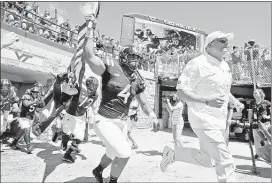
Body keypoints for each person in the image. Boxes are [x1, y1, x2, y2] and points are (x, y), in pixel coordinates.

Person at [82, 14, 159, 183]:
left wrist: (152, 115)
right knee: (124, 152)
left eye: (137, 58)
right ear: (124, 56)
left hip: (121, 122)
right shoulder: (111, 68)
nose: (135, 61)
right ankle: (113, 181)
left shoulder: (138, 79)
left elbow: (143, 102)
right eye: (132, 57)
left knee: (112, 153)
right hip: (105, 119)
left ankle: (97, 170)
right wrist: (90, 29)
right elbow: (89, 55)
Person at [160, 31, 245, 182]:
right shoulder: (197, 63)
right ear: (210, 44)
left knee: (207, 160)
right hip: (204, 119)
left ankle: (172, 154)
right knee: (225, 161)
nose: (227, 44)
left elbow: (224, 91)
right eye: (222, 40)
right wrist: (206, 100)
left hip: (219, 120)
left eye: (227, 41)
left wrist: (234, 101)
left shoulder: (224, 65)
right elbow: (181, 91)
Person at [61, 76, 99, 163]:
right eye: (92, 86)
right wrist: (68, 82)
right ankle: (64, 141)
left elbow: (94, 106)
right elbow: (67, 91)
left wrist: (96, 117)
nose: (93, 89)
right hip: (71, 114)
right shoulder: (80, 88)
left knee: (80, 138)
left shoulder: (95, 95)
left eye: (95, 86)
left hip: (81, 117)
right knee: (66, 133)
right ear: (88, 85)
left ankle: (67, 154)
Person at [9, 86, 45, 154]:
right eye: (33, 92)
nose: (35, 93)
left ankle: (13, 143)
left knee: (22, 131)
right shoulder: (26, 96)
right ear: (31, 92)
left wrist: (42, 98)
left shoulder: (37, 98)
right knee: (27, 130)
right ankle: (28, 147)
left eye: (36, 92)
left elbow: (42, 105)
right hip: (23, 116)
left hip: (30, 117)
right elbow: (26, 104)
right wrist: (34, 101)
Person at [249, 89, 271, 159]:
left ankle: (268, 154)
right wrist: (250, 122)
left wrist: (268, 116)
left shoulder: (266, 102)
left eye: (256, 93)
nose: (254, 94)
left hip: (265, 124)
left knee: (267, 140)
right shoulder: (252, 103)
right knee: (256, 140)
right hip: (255, 123)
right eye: (254, 93)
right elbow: (250, 113)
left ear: (260, 94)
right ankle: (258, 154)